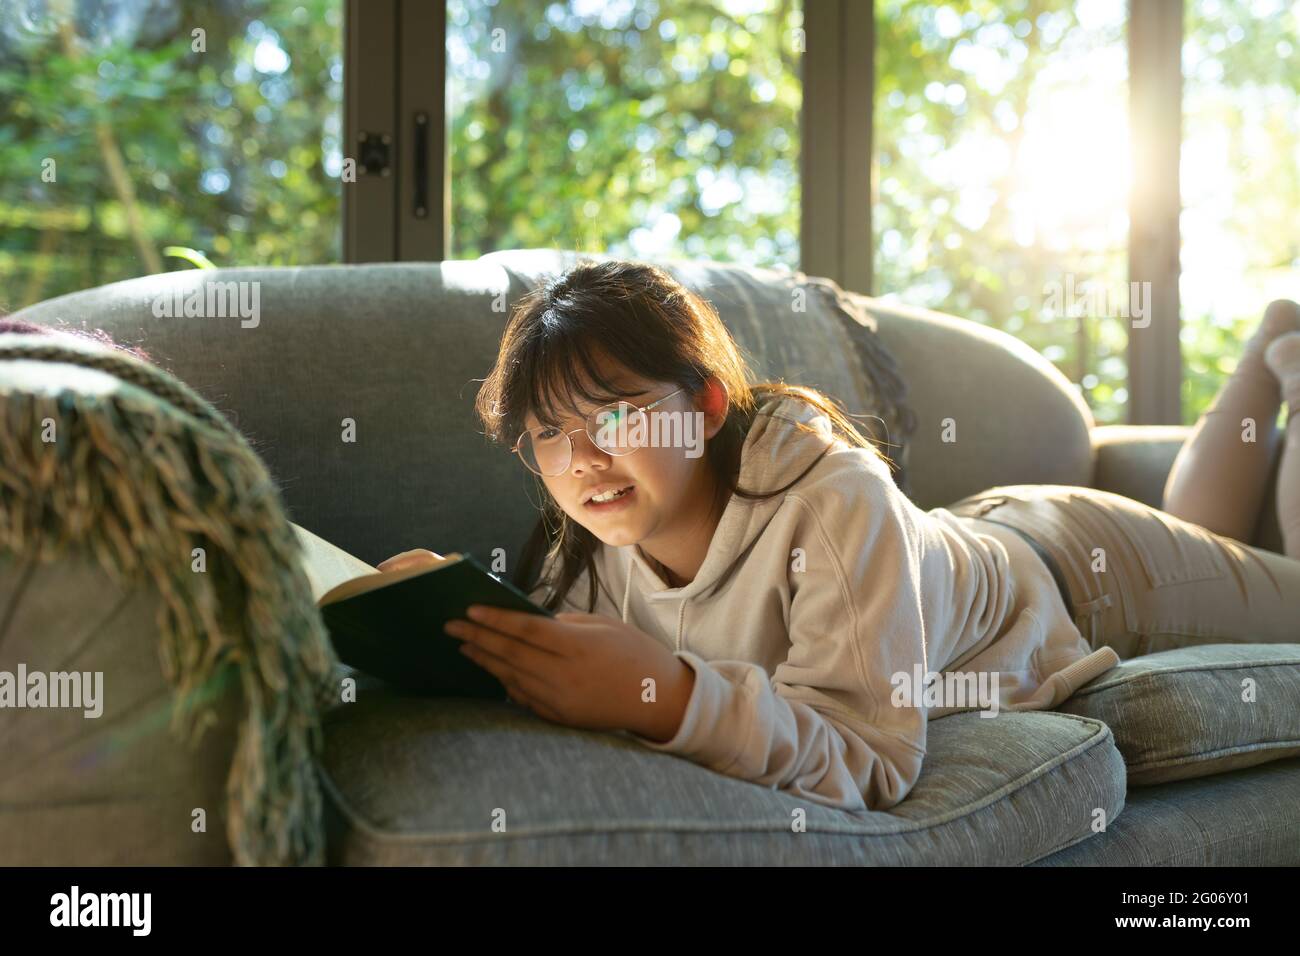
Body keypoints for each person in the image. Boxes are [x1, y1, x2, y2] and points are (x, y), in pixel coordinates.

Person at [380, 258, 1300, 813]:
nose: (579, 460)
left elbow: (872, 755)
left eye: (615, 416)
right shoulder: (591, 543)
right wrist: (450, 613)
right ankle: (1275, 343)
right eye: (548, 433)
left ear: (703, 407)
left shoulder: (827, 494)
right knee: (1212, 530)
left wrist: (663, 693)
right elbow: (555, 661)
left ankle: (1289, 356)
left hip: (1090, 572)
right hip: (975, 532)